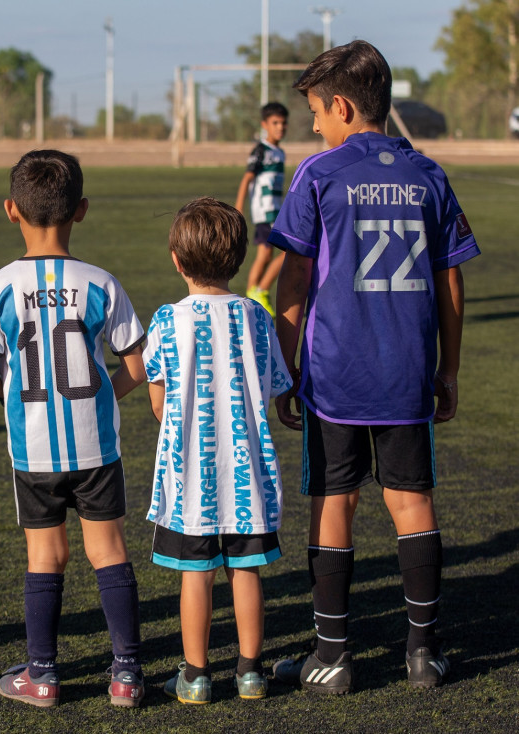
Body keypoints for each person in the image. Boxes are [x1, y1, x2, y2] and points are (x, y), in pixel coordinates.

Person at [268, 40, 480, 693]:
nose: (312, 126)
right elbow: (451, 282)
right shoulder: (428, 175)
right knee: (412, 501)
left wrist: (285, 365)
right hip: (407, 372)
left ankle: (331, 656)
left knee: (336, 500)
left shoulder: (319, 173)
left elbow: (294, 278)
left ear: (340, 105)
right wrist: (448, 369)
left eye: (315, 112)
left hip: (334, 374)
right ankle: (424, 655)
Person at [0, 149, 148, 708]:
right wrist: (101, 397)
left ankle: (41, 675)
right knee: (109, 550)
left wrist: (17, 396)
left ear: (10, 211)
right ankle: (126, 675)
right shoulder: (100, 282)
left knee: (45, 557)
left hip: (34, 450)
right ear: (82, 211)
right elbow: (137, 366)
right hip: (95, 444)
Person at [143, 197, 292, 704]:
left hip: (190, 477)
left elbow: (159, 402)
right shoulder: (256, 316)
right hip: (246, 471)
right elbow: (274, 386)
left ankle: (197, 675)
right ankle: (250, 673)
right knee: (245, 572)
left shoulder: (166, 321)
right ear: (238, 258)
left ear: (177, 260)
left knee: (196, 576)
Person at [234, 102, 288, 316]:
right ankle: (261, 290)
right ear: (264, 124)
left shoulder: (280, 152)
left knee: (265, 255)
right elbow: (247, 178)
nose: (280, 127)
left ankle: (253, 294)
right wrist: (239, 206)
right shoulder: (261, 150)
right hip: (265, 212)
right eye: (275, 123)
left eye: (283, 123)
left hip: (276, 210)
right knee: (286, 251)